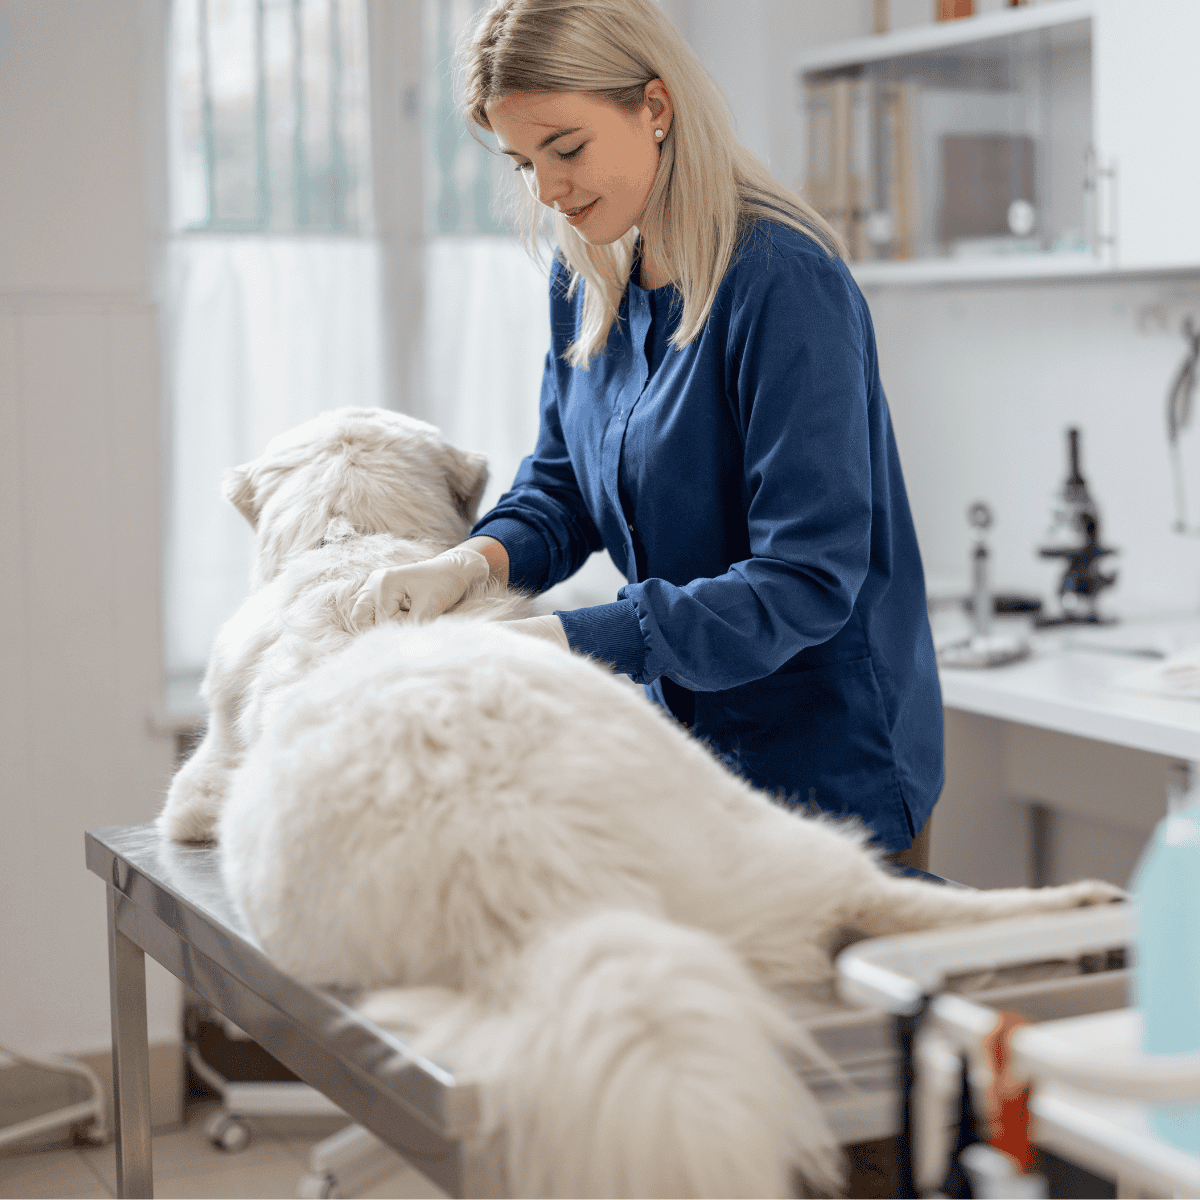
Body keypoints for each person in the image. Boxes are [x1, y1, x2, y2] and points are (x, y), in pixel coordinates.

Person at [351, 0, 943, 870]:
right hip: (690, 752)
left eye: (566, 148)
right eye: (523, 164)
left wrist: (570, 640)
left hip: (830, 769)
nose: (548, 190)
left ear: (654, 108)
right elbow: (561, 488)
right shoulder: (587, 273)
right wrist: (470, 563)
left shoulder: (783, 285)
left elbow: (805, 580)